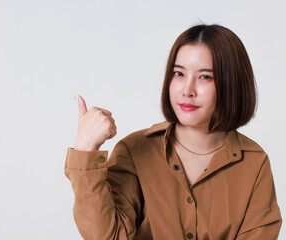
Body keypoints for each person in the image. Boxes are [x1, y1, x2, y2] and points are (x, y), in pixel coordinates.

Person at [64, 24, 282, 239]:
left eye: (205, 76)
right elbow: (108, 236)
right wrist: (85, 150)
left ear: (232, 84)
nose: (187, 90)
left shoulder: (254, 163)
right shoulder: (134, 150)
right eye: (179, 73)